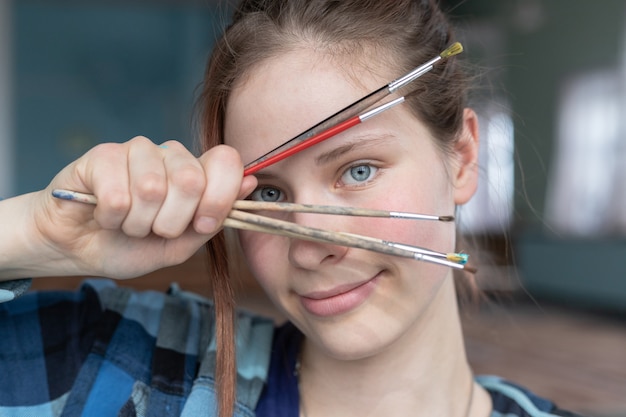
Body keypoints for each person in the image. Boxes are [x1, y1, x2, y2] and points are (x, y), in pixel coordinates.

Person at [0, 1, 585, 416]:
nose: (311, 243)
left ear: (460, 158)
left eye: (358, 170)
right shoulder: (123, 365)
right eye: (271, 193)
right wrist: (35, 232)